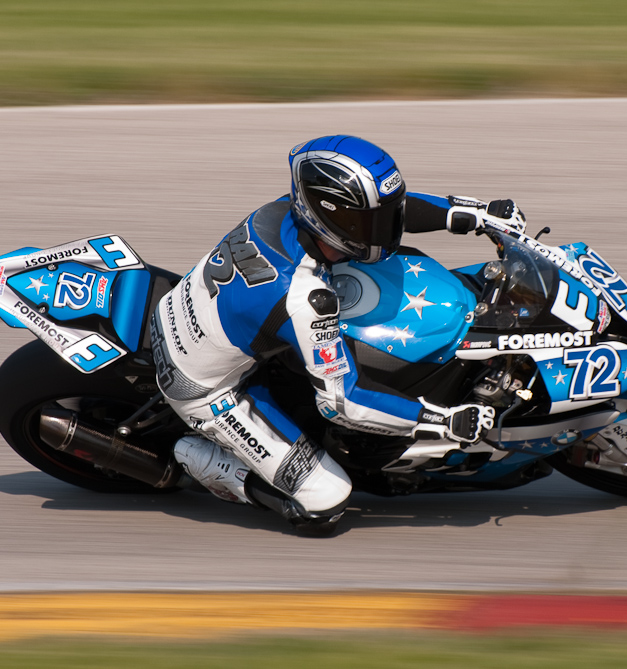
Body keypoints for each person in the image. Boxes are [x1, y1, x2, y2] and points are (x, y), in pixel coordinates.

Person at [149, 135, 525, 534]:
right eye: (369, 224)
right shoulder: (304, 298)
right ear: (333, 219)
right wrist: (441, 421)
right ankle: (207, 462)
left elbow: (393, 211)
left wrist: (475, 214)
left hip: (195, 315)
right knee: (327, 498)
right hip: (203, 386)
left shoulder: (284, 210)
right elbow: (341, 403)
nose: (387, 231)